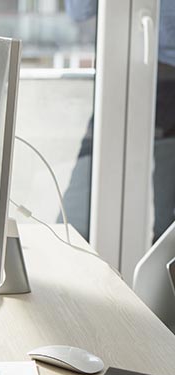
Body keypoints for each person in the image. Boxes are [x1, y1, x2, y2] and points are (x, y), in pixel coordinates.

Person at [62, 0, 175, 242]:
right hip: (121, 80)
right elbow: (80, 11)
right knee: (73, 224)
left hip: (165, 82)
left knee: (166, 237)